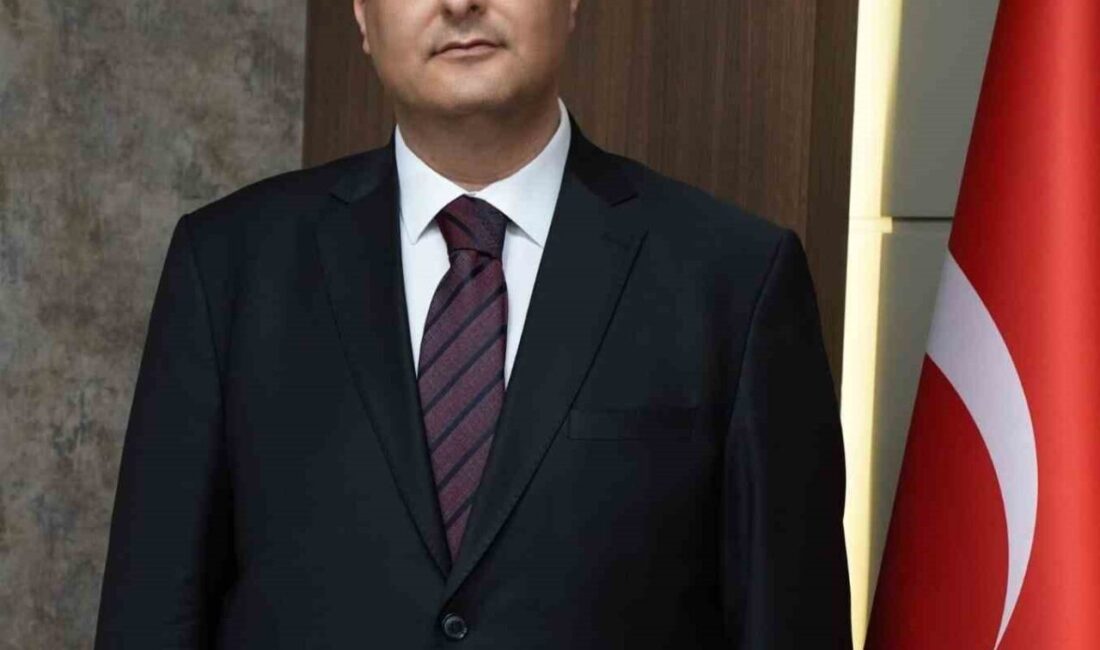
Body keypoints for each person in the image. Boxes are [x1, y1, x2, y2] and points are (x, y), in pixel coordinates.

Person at [93, 0, 852, 647]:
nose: (459, 3)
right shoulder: (228, 267)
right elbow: (151, 615)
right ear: (361, 15)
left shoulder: (734, 280)